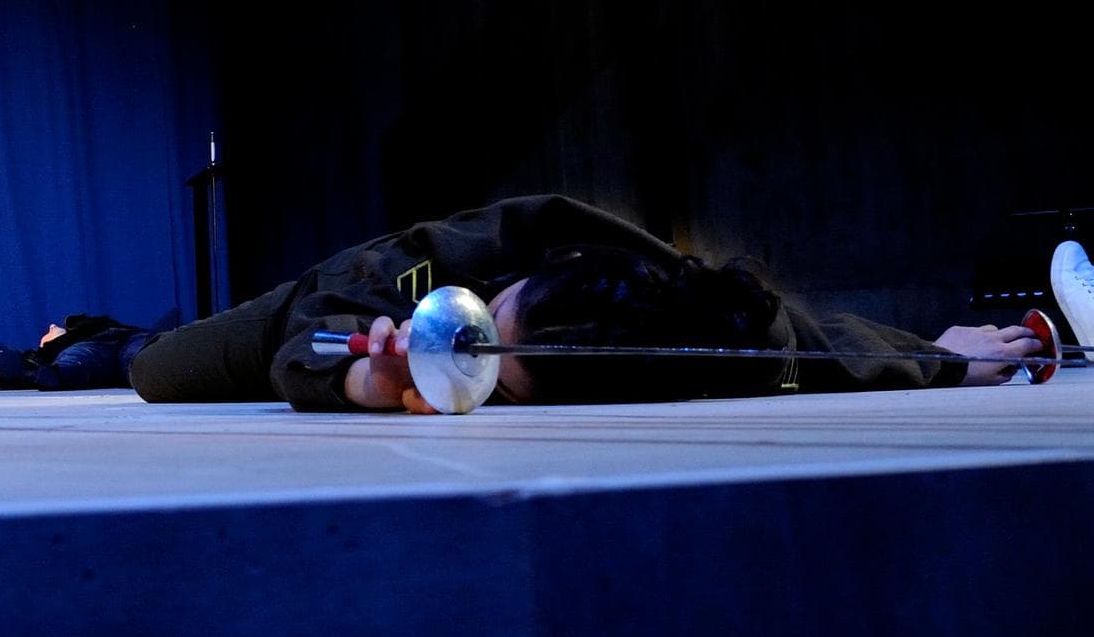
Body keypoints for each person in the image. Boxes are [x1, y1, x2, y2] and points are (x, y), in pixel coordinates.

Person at [129, 194, 1047, 413]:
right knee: (147, 367)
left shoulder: (674, 331)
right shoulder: (532, 237)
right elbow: (309, 333)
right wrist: (353, 376)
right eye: (496, 314)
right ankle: (76, 342)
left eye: (503, 378)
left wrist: (944, 358)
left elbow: (795, 349)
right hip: (326, 295)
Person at [0, 314, 164, 392]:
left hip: (129, 337)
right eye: (47, 333)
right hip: (97, 352)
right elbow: (22, 366)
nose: (52, 326)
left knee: (148, 348)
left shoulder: (88, 327)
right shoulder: (63, 352)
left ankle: (168, 346)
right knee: (139, 360)